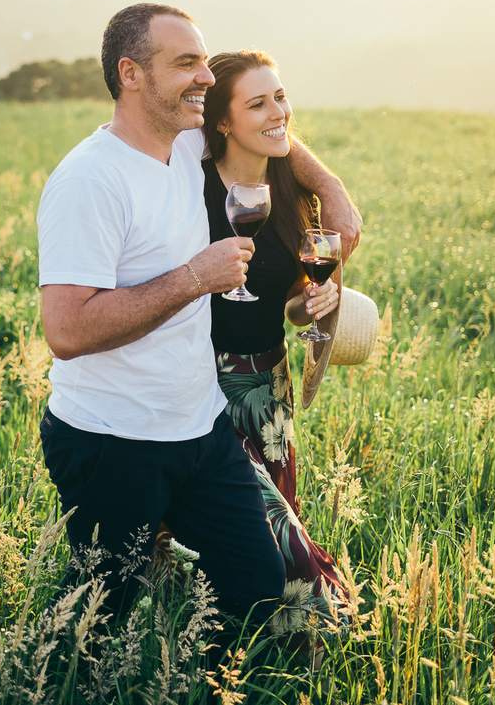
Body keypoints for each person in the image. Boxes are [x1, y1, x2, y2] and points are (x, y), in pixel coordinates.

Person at [36, 3, 360, 635]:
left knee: (258, 586)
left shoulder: (185, 143)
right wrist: (194, 279)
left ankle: (214, 683)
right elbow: (67, 331)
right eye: (186, 63)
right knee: (101, 617)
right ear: (131, 74)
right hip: (114, 441)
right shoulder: (89, 181)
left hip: (201, 428)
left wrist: (335, 191)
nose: (206, 78)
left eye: (205, 63)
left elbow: (277, 139)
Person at [200, 49, 351, 638]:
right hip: (205, 381)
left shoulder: (291, 190)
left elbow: (288, 297)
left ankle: (259, 638)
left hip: (271, 385)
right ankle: (327, 623)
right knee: (267, 527)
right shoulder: (192, 186)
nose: (276, 112)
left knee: (267, 519)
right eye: (257, 103)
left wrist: (310, 304)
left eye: (280, 97)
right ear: (221, 121)